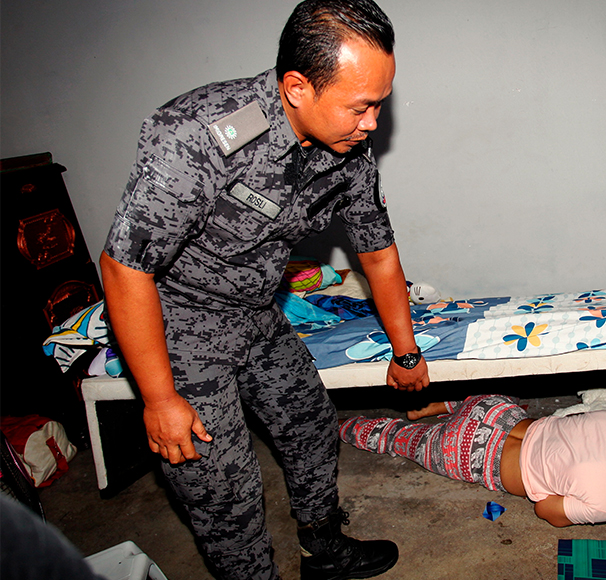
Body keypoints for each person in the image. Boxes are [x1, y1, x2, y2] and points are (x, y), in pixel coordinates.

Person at [99, 1, 429, 579]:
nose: (373, 121)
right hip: (178, 330)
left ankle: (323, 550)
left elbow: (376, 251)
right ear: (298, 87)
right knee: (225, 491)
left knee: (311, 425)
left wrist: (405, 352)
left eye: (380, 102)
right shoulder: (196, 135)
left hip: (257, 313)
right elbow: (126, 266)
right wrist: (158, 398)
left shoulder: (346, 147)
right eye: (362, 105)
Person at [340, 395, 606, 527]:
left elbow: (565, 424)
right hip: (471, 454)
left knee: (508, 404)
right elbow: (546, 510)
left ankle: (450, 404)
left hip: (495, 411)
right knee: (401, 440)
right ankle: (340, 428)